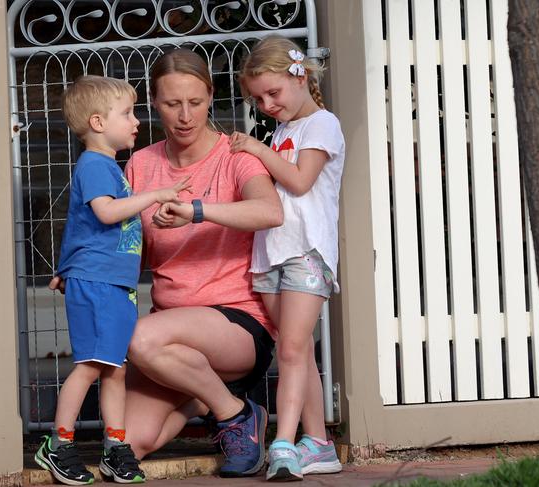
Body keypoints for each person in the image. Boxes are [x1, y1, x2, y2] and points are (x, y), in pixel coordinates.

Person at [166, 36, 345, 481]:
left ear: (300, 76)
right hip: (272, 255)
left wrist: (258, 150)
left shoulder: (322, 125)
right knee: (296, 350)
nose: (267, 104)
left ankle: (284, 442)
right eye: (258, 97)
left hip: (307, 252)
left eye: (274, 93)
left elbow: (301, 183)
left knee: (290, 347)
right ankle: (318, 442)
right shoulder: (283, 130)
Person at [116, 48, 282, 478]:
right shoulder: (141, 164)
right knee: (129, 442)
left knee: (140, 339)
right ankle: (203, 393)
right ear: (154, 103)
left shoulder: (235, 155)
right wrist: (81, 271)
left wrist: (197, 210)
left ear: (210, 96)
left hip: (236, 323)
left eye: (195, 102)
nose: (185, 115)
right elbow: (131, 250)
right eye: (172, 104)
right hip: (169, 330)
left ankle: (236, 413)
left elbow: (269, 211)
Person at [37, 75, 191, 485]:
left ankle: (115, 448)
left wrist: (64, 266)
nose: (137, 121)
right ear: (98, 123)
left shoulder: (107, 167)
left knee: (114, 369)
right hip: (98, 284)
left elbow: (82, 225)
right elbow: (106, 213)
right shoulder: (95, 166)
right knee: (89, 366)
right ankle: (59, 444)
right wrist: (155, 195)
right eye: (128, 113)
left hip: (112, 285)